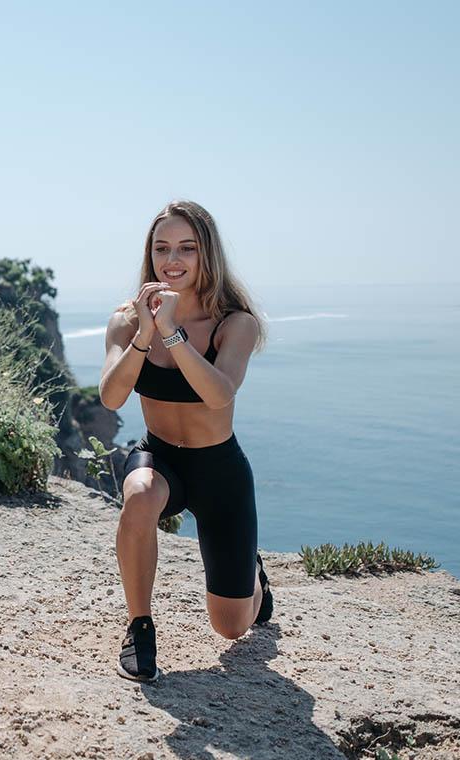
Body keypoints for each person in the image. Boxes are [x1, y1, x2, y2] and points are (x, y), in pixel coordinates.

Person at [98, 200, 272, 682]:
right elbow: (112, 399)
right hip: (160, 458)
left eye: (187, 248)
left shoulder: (234, 323)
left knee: (232, 627)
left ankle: (253, 579)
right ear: (149, 255)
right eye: (162, 248)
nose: (172, 260)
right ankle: (139, 627)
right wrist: (145, 332)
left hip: (219, 470)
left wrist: (172, 333)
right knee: (138, 494)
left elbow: (219, 396)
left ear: (206, 255)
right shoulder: (126, 321)